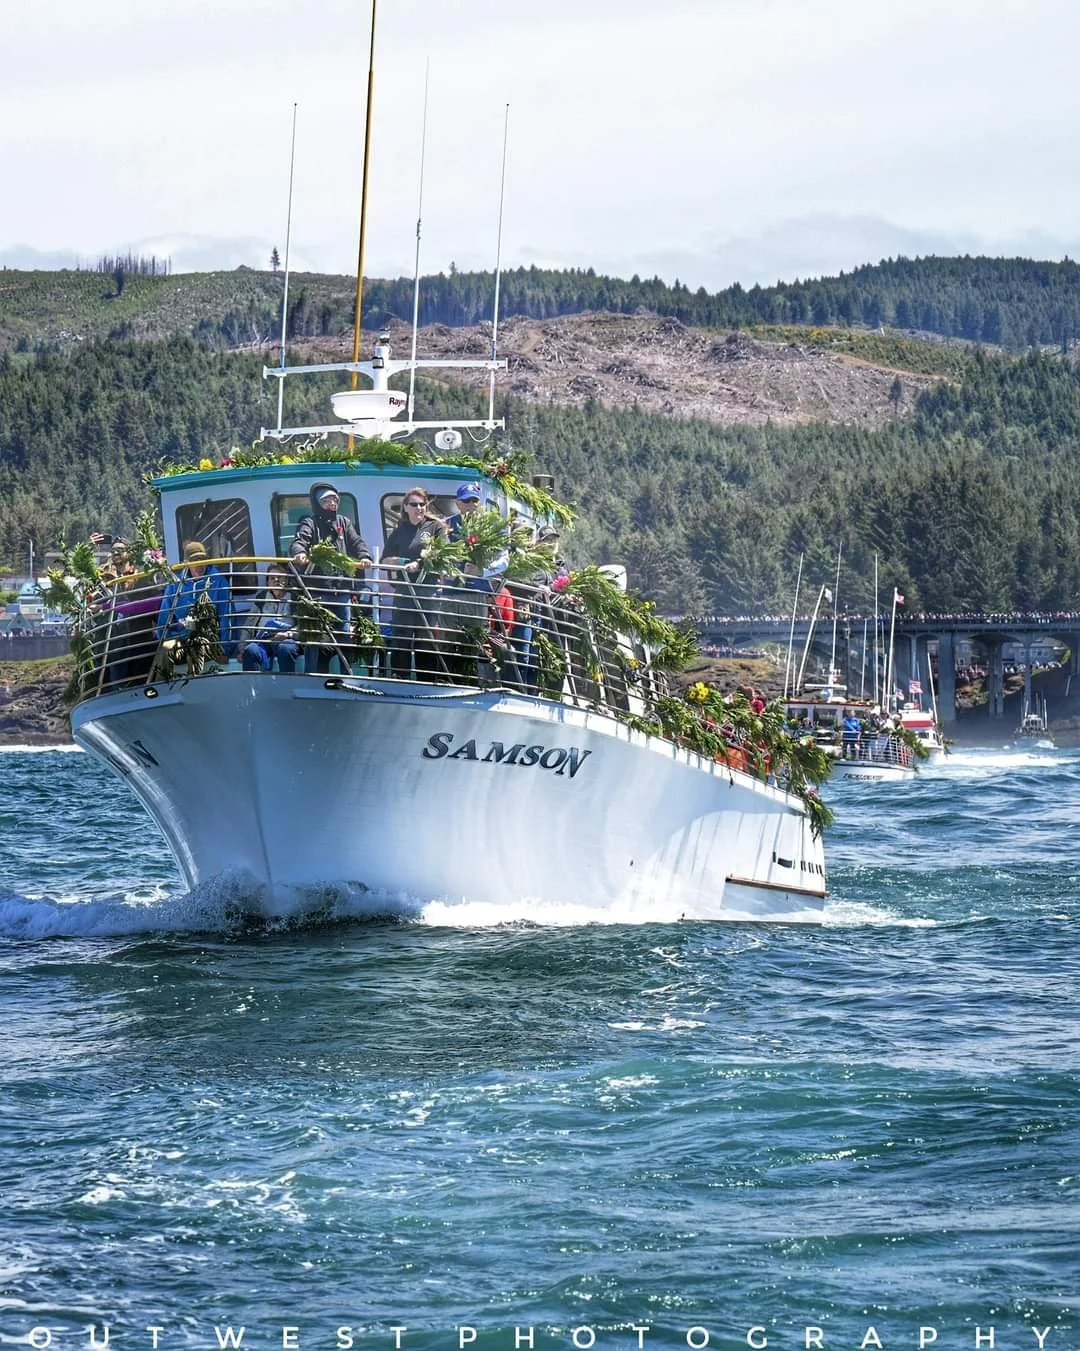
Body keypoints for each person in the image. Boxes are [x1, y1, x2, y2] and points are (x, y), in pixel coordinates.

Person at [290, 482, 372, 674]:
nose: (332, 503)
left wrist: (365, 556)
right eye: (327, 500)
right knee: (315, 638)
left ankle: (346, 677)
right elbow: (300, 540)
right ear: (318, 503)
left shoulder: (344, 522)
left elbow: (357, 542)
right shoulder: (310, 523)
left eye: (335, 499)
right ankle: (314, 676)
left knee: (344, 636)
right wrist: (300, 552)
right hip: (319, 593)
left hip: (341, 591)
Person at [442, 482, 509, 683]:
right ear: (458, 503)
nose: (471, 504)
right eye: (466, 500)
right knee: (448, 640)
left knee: (475, 639)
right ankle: (448, 679)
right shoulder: (446, 525)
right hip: (451, 592)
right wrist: (448, 569)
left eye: (474, 500)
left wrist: (484, 571)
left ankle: (474, 682)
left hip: (477, 593)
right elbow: (437, 554)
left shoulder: (491, 527)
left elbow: (504, 559)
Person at [381, 488, 448, 679]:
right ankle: (399, 678)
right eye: (414, 504)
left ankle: (426, 681)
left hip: (428, 592)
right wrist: (399, 563)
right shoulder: (398, 532)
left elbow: (442, 554)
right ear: (405, 507)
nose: (419, 508)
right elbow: (384, 561)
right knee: (401, 636)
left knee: (426, 639)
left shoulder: (436, 527)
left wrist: (419, 563)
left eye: (422, 504)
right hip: (404, 592)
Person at [154, 540, 231, 667]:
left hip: (210, 639)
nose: (200, 566)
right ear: (186, 563)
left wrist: (224, 649)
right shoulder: (175, 585)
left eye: (202, 560)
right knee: (164, 651)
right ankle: (158, 687)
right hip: (183, 637)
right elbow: (164, 618)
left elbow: (226, 616)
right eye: (195, 561)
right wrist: (169, 637)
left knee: (195, 649)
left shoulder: (218, 581)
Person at [241, 564, 300, 673]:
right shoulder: (261, 598)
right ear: (268, 582)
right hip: (264, 639)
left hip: (285, 639)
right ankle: (253, 688)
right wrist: (241, 648)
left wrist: (288, 634)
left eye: (280, 577)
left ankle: (287, 688)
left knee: (286, 649)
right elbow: (249, 624)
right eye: (272, 578)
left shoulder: (295, 598)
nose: (276, 580)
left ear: (286, 580)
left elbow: (303, 625)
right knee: (250, 650)